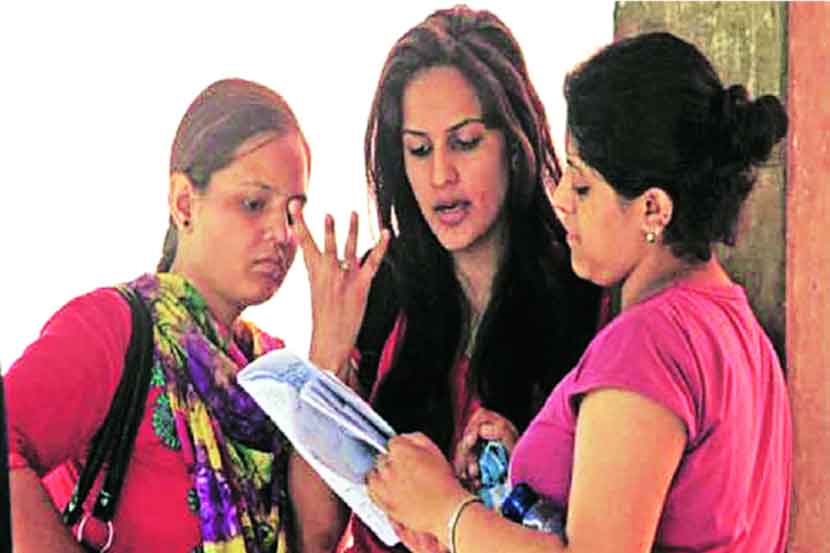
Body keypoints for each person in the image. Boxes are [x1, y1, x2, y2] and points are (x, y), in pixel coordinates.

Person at [365, 31, 792, 553]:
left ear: (653, 209)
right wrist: (534, 473)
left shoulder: (647, 341)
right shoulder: (736, 331)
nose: (563, 198)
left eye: (584, 185)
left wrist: (446, 511)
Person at [5, 78, 386, 553]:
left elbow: (314, 542)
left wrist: (327, 359)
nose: (282, 234)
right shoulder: (114, 329)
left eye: (292, 213)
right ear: (184, 203)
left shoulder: (272, 370)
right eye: (253, 204)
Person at [288, 6, 601, 553]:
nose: (440, 176)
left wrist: (521, 479)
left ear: (515, 143)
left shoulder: (587, 292)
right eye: (419, 149)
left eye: (466, 142)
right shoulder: (383, 292)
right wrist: (327, 360)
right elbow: (315, 537)